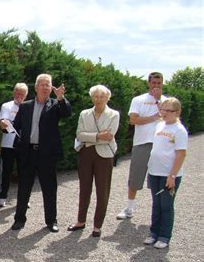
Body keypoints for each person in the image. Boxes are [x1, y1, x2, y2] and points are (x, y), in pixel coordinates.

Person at [11, 73, 71, 231]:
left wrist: (61, 98)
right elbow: (15, 126)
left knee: (49, 188)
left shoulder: (55, 104)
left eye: (48, 84)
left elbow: (66, 113)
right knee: (24, 187)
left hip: (47, 154)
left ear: (51, 88)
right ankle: (19, 219)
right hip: (28, 152)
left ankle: (51, 221)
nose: (44, 87)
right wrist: (5, 126)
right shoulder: (25, 106)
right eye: (42, 84)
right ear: (36, 87)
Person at [68, 85, 119, 237]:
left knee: (102, 190)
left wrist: (90, 137)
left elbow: (109, 137)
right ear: (91, 98)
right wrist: (98, 136)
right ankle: (81, 220)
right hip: (86, 153)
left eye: (101, 96)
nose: (98, 99)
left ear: (107, 98)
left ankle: (97, 225)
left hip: (104, 155)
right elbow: (79, 135)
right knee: (84, 189)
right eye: (95, 96)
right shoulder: (85, 113)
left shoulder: (114, 114)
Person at [117, 72, 165, 220]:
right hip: (142, 143)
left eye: (159, 83)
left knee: (160, 178)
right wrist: (153, 118)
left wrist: (159, 102)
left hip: (162, 144)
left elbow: (171, 119)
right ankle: (129, 208)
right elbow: (133, 120)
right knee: (135, 177)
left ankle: (160, 210)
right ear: (148, 83)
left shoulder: (167, 101)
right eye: (153, 83)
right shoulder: (138, 100)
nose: (156, 86)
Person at [144, 97, 187, 249]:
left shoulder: (179, 130)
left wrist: (172, 176)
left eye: (169, 110)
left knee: (166, 206)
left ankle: (164, 236)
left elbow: (181, 154)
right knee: (156, 204)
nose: (165, 113)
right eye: (163, 109)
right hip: (155, 172)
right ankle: (153, 233)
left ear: (177, 112)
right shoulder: (160, 125)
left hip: (168, 174)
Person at [0, 83, 28, 207]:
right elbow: (3, 121)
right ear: (14, 92)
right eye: (17, 93)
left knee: (24, 172)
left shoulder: (29, 107)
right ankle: (2, 196)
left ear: (26, 95)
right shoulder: (7, 106)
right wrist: (3, 123)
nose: (19, 96)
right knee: (5, 171)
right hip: (8, 144)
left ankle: (24, 198)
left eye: (22, 94)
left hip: (24, 145)